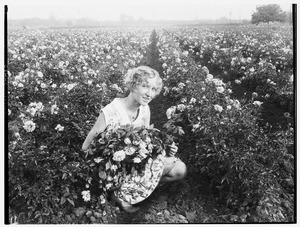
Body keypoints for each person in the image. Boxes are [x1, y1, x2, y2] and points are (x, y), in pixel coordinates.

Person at [82, 65, 187, 212]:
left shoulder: (144, 109)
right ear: (133, 85)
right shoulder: (111, 111)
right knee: (164, 166)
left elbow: (146, 140)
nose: (149, 93)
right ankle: (123, 194)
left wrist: (165, 149)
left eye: (153, 89)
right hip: (114, 168)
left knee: (179, 169)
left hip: (135, 163)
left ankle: (131, 191)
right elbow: (86, 147)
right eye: (145, 86)